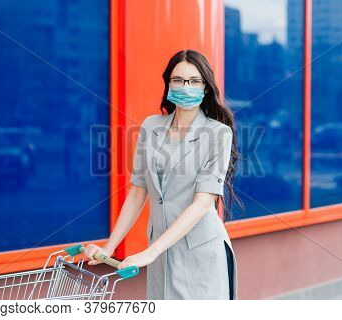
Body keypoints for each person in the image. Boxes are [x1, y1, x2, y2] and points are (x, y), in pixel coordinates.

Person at [84, 49, 241, 300]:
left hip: (200, 252)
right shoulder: (150, 126)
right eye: (177, 80)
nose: (185, 86)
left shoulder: (219, 134)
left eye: (193, 81)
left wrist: (151, 252)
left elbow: (202, 203)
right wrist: (109, 247)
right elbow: (138, 192)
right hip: (160, 251)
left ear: (206, 88)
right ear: (168, 83)